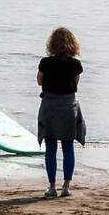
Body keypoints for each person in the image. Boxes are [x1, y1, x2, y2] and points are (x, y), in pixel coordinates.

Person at [37, 26, 86, 198]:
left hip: (50, 105)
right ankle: (66, 186)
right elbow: (75, 83)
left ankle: (51, 187)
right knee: (67, 147)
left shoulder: (45, 62)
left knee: (50, 147)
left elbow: (39, 81)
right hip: (68, 106)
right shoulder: (75, 64)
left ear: (52, 44)